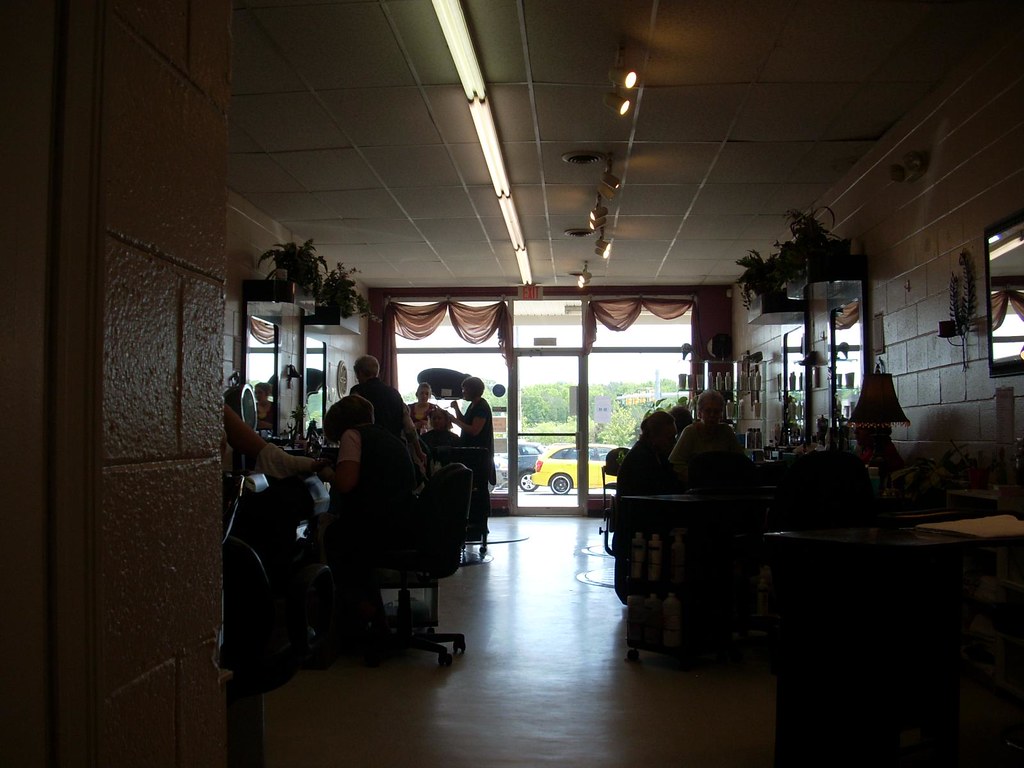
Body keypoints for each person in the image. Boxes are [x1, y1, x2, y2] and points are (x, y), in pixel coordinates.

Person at [321, 394, 421, 643]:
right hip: (405, 523)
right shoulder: (391, 438)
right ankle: (376, 619)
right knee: (358, 549)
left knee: (331, 535)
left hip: (378, 527)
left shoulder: (352, 436)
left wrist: (327, 472)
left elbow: (345, 483)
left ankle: (362, 608)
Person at [350, 354, 426, 469]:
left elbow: (352, 421)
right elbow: (409, 427)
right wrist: (419, 451)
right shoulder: (394, 393)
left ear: (359, 372)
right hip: (396, 451)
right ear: (377, 372)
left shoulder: (357, 392)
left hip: (369, 452)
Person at [667, 389, 743, 486]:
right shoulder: (690, 432)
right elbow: (674, 463)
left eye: (716, 412)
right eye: (708, 411)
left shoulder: (726, 432)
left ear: (721, 414)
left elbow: (741, 461)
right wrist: (695, 477)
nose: (712, 415)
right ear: (699, 413)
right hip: (696, 488)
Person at [616, 411, 685, 498]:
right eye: (670, 438)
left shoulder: (650, 453)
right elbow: (665, 489)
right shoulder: (641, 459)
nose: (674, 442)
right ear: (654, 435)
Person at [450, 375, 496, 485]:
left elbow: (474, 430)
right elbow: (465, 422)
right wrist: (456, 409)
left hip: (478, 455)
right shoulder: (473, 405)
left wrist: (454, 420)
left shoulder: (481, 407)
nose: (463, 392)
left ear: (472, 390)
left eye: (465, 389)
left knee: (478, 484)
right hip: (472, 453)